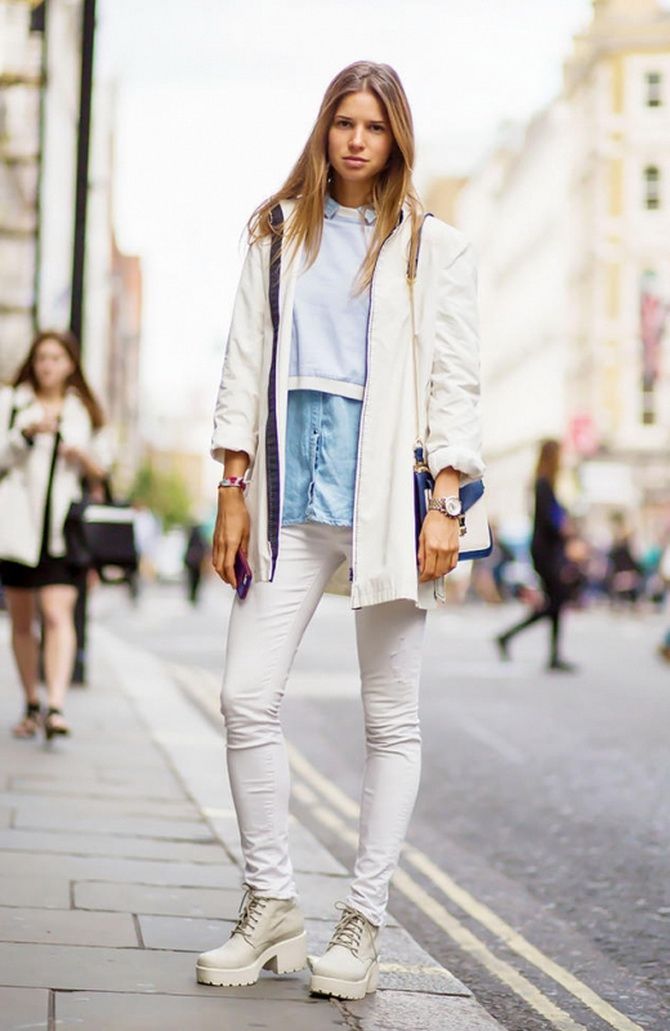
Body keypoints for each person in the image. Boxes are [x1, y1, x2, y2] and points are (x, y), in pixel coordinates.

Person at [198, 61, 484, 1000]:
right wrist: (232, 480)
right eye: (343, 124)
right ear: (323, 131)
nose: (357, 140)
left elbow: (454, 378)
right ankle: (271, 901)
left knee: (390, 719)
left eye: (374, 126)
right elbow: (246, 356)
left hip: (386, 504)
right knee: (245, 696)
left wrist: (447, 501)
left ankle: (362, 920)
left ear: (397, 137)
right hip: (288, 495)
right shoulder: (278, 233)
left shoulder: (430, 247)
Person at [0, 330, 110, 739]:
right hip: (18, 529)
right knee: (23, 621)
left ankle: (57, 707)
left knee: (57, 613)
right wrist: (25, 435)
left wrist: (82, 455)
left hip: (64, 534)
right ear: (33, 361)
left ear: (70, 365)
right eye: (42, 357)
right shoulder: (13, 403)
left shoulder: (86, 412)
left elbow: (104, 470)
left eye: (56, 358)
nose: (48, 365)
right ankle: (32, 702)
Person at [495, 439, 576, 672]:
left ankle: (518, 641)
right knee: (556, 601)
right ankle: (547, 653)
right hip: (545, 553)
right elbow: (548, 522)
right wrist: (564, 530)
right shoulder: (542, 484)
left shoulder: (546, 484)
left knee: (555, 602)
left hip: (547, 551)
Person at [183, 523, 207, 605]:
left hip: (192, 563)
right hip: (197, 563)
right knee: (196, 580)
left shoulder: (192, 540)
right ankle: (194, 595)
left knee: (192, 580)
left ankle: (192, 595)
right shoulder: (200, 540)